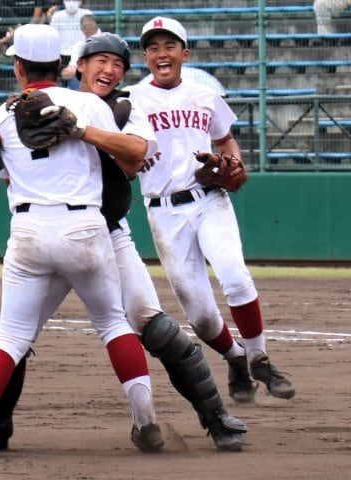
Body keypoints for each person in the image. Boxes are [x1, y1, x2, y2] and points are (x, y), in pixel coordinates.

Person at [0, 32, 248, 454]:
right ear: (79, 67)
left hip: (107, 235)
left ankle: (215, 416)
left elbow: (133, 160)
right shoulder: (41, 107)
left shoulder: (129, 108)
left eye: (118, 64)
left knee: (152, 324)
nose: (109, 70)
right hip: (48, 233)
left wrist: (81, 129)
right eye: (100, 61)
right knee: (12, 334)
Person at [0, 23, 164, 459]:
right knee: (112, 324)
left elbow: (8, 175)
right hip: (84, 228)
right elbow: (129, 156)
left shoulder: (1, 115)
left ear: (17, 68)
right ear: (64, 65)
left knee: (10, 336)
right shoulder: (88, 103)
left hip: (27, 230)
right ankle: (147, 425)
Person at [125, 16, 295, 405]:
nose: (161, 53)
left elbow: (226, 140)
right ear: (146, 57)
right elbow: (121, 148)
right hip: (164, 212)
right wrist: (132, 156)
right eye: (152, 47)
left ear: (184, 54)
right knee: (201, 317)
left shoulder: (205, 95)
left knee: (235, 276)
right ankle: (235, 358)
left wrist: (232, 163)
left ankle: (259, 358)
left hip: (209, 201)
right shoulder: (131, 100)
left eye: (169, 46)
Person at [60, 13, 99, 90]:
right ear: (81, 29)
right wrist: (68, 70)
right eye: (84, 26)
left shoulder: (104, 42)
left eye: (90, 25)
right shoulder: (78, 45)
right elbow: (73, 64)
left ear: (96, 27)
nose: (87, 28)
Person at [49, 0, 92, 67]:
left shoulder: (87, 14)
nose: (71, 2)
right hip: (61, 55)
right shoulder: (57, 16)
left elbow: (92, 36)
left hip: (81, 54)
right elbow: (52, 38)